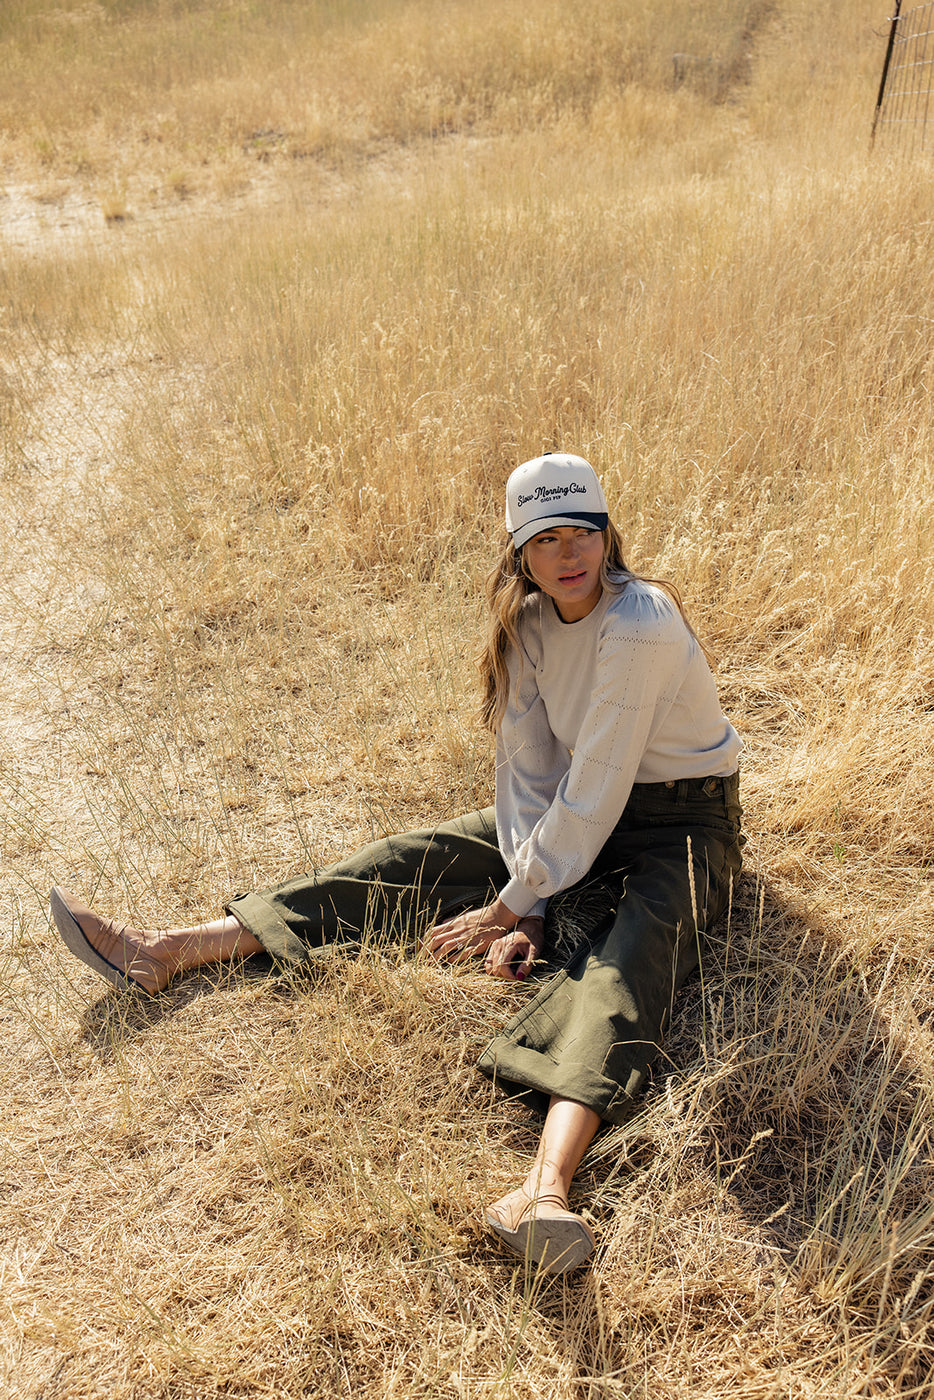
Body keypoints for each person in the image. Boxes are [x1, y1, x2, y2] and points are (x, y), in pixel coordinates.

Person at [51, 453, 743, 1274]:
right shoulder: (527, 625)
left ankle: (545, 1193)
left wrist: (518, 899)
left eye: (584, 532)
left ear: (607, 533)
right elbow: (529, 775)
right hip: (581, 810)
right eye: (547, 537)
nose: (570, 554)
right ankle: (171, 948)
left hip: (681, 827)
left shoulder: (640, 621)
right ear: (518, 551)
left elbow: (596, 784)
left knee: (624, 965)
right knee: (414, 858)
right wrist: (527, 900)